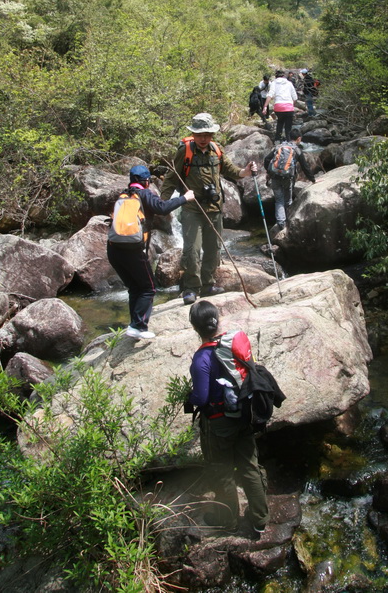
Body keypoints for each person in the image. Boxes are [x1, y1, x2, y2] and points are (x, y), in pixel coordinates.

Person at [187, 299, 269, 535]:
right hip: (244, 416)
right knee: (249, 466)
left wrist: (189, 398)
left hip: (218, 424)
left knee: (222, 471)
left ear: (195, 327)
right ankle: (260, 520)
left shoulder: (202, 358)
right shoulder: (233, 344)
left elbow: (201, 398)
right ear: (217, 320)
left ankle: (228, 520)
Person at [161, 113, 257, 305]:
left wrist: (245, 172)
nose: (203, 139)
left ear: (211, 134)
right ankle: (190, 288)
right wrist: (161, 203)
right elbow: (172, 177)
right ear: (193, 135)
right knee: (192, 250)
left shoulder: (216, 150)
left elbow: (230, 170)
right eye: (199, 135)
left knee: (213, 250)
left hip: (214, 208)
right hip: (192, 209)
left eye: (207, 134)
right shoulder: (185, 152)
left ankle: (208, 285)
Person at [107, 164, 195, 339]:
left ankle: (134, 324)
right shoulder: (144, 194)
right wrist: (185, 198)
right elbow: (162, 208)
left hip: (113, 250)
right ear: (146, 181)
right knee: (149, 288)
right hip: (133, 250)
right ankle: (138, 326)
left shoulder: (123, 196)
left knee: (134, 287)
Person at [263, 129, 316, 230]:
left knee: (279, 200)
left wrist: (269, 171)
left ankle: (281, 223)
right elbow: (305, 167)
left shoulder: (279, 147)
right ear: (299, 139)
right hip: (288, 178)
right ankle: (288, 221)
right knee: (288, 200)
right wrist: (313, 179)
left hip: (275, 177)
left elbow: (266, 159)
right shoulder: (297, 150)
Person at [263, 69, 298, 143]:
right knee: (288, 127)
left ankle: (277, 140)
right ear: (284, 75)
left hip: (278, 107)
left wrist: (265, 106)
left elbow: (270, 94)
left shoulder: (274, 83)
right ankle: (289, 142)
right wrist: (292, 105)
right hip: (289, 107)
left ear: (276, 76)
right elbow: (295, 97)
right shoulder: (289, 83)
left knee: (280, 122)